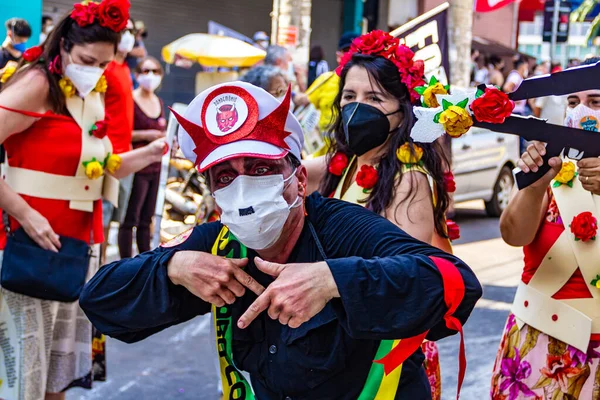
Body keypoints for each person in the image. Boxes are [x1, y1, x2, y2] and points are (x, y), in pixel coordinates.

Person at [79, 80, 482, 399]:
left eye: (259, 169)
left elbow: (455, 282)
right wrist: (173, 267)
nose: (243, 186)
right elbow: (100, 300)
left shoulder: (340, 227)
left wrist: (332, 282)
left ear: (299, 179)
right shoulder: (219, 245)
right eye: (225, 176)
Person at [0, 1, 166, 399]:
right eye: (87, 60)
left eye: (104, 64)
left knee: (57, 377)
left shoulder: (89, 89)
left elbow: (100, 165)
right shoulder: (37, 83)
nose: (95, 70)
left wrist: (152, 152)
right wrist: (24, 212)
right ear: (62, 47)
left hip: (74, 251)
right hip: (30, 247)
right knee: (23, 376)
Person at [304, 30, 457, 399]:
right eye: (350, 96)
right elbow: (286, 172)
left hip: (383, 360)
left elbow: (403, 283)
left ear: (402, 108)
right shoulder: (345, 162)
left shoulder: (410, 181)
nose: (358, 108)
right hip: (342, 347)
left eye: (374, 97)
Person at [492, 59, 600, 399]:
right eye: (572, 102)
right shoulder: (548, 161)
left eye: (595, 102)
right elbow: (514, 235)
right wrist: (535, 186)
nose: (581, 110)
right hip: (538, 348)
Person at [118, 56, 166, 258]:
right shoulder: (130, 99)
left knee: (147, 219)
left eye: (155, 71)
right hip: (135, 166)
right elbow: (121, 132)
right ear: (137, 75)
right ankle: (125, 263)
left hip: (156, 167)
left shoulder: (159, 102)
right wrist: (147, 135)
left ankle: (146, 262)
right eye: (146, 71)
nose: (150, 76)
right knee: (130, 219)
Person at [101, 17, 137, 263]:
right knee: (101, 218)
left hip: (127, 155)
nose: (128, 36)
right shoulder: (106, 67)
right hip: (107, 155)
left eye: (132, 31)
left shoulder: (125, 69)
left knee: (116, 219)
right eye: (124, 31)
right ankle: (98, 265)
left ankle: (102, 264)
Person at [307, 32, 359, 137]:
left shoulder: (369, 82)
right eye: (347, 50)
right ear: (338, 55)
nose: (351, 54)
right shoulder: (325, 79)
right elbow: (306, 102)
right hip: (323, 150)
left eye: (356, 50)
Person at [125, 19, 147, 88]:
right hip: (128, 70)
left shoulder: (139, 42)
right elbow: (127, 50)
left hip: (135, 71)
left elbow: (143, 53)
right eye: (138, 32)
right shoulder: (129, 40)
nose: (140, 35)